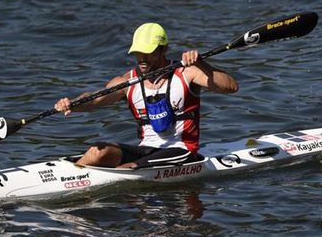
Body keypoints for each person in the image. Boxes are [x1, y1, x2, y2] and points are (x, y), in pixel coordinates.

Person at [54, 23, 238, 168]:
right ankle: (72, 177)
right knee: (97, 151)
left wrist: (202, 64)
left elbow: (231, 86)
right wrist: (72, 104)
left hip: (182, 150)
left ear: (163, 49)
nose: (142, 58)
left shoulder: (187, 73)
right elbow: (95, 99)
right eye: (138, 53)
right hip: (146, 149)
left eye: (148, 53)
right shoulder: (127, 81)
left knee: (127, 168)